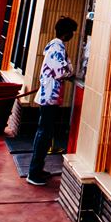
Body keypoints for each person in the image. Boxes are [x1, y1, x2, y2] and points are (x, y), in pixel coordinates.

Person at [25, 16, 78, 186]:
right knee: (44, 134)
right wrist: (71, 72)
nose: (73, 35)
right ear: (66, 33)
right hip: (49, 96)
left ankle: (38, 169)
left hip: (50, 96)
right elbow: (61, 71)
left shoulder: (56, 46)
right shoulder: (57, 47)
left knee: (45, 134)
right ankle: (33, 173)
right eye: (72, 32)